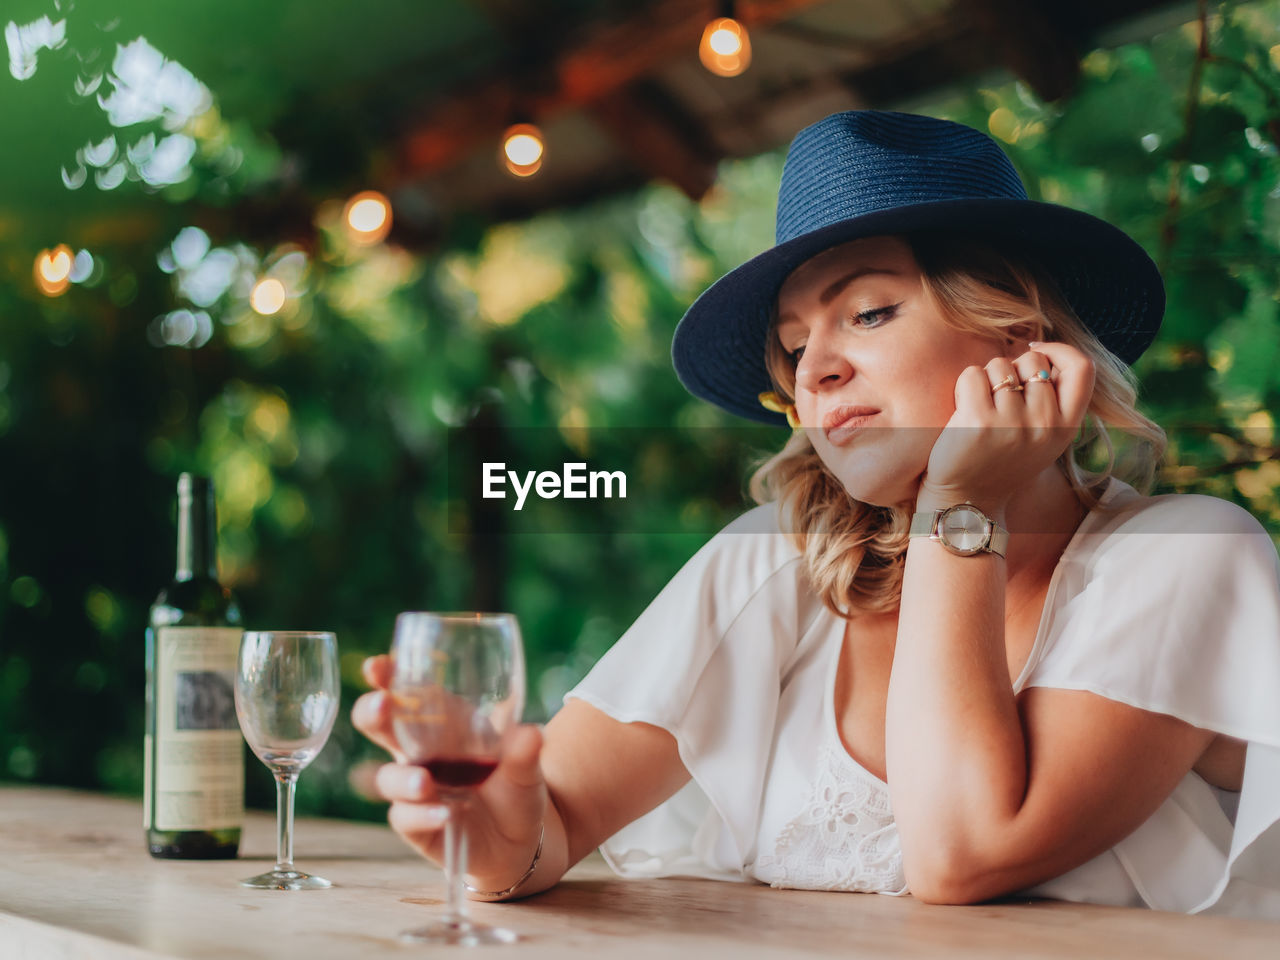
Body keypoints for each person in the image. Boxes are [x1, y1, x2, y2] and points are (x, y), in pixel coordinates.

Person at [353, 111, 1280, 917]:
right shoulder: (777, 563)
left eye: (868, 312)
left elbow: (960, 856)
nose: (814, 370)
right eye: (794, 346)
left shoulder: (1185, 558)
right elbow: (546, 820)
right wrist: (488, 836)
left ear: (1019, 336)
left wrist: (960, 505)